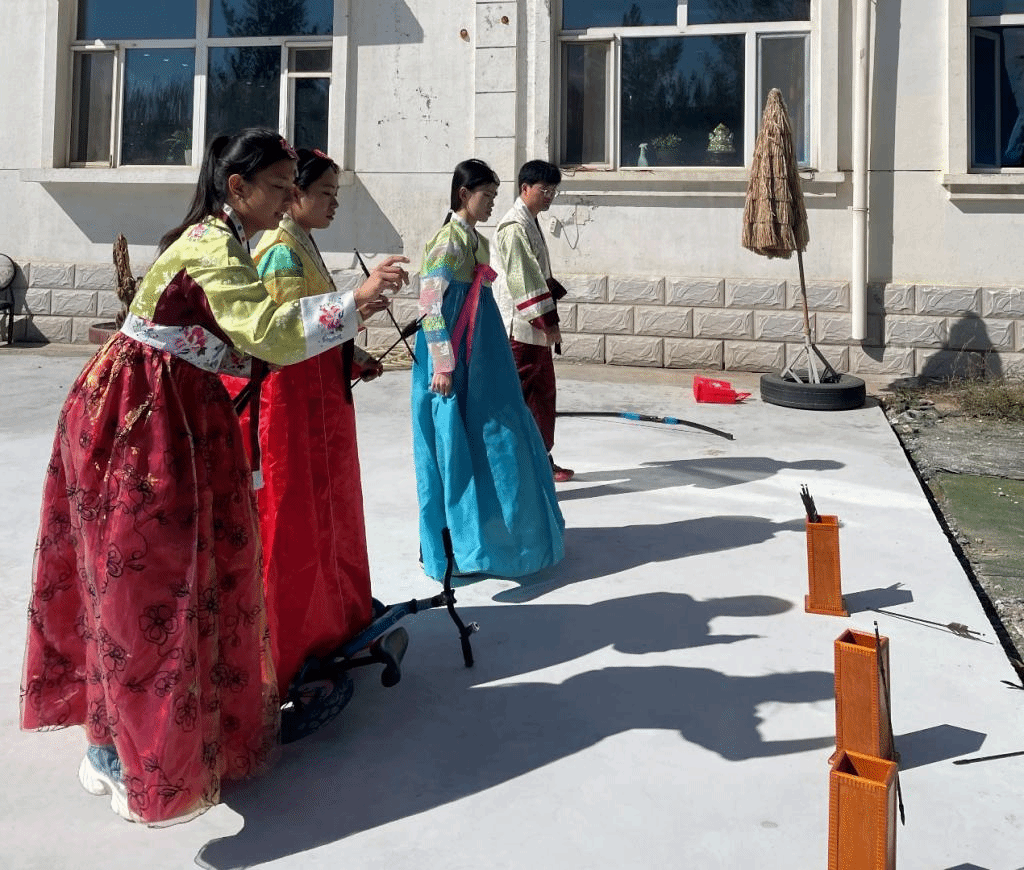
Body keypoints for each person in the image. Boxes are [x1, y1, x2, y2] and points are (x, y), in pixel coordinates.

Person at [20, 129, 404, 825]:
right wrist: (357, 301)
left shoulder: (230, 242)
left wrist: (349, 324)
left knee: (198, 572)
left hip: (181, 412)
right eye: (280, 185)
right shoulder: (211, 245)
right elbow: (266, 333)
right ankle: (114, 748)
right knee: (148, 583)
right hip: (143, 419)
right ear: (237, 187)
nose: (290, 198)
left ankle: (178, 731)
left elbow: (239, 345)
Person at [223, 147, 405, 714]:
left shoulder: (299, 243)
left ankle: (332, 619)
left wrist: (356, 351)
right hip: (292, 412)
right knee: (296, 522)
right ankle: (291, 643)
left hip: (318, 405)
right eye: (323, 192)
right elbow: (283, 338)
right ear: (293, 193)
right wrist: (357, 300)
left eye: (335, 194)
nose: (332, 203)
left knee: (327, 516)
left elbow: (314, 324)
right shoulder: (279, 249)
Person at [411, 158, 565, 581]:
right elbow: (430, 304)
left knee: (489, 442)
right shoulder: (448, 240)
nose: (493, 203)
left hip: (481, 348)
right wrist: (442, 364)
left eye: (496, 196)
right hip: (453, 355)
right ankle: (447, 547)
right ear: (464, 194)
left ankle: (485, 542)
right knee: (451, 447)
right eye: (487, 195)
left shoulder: (476, 239)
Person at [493, 159, 574, 482]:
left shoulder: (530, 222)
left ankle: (540, 460)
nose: (549, 196)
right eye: (544, 189)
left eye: (553, 190)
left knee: (541, 396)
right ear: (524, 188)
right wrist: (548, 322)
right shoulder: (514, 227)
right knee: (519, 399)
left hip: (532, 329)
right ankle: (513, 467)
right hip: (520, 329)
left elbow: (537, 274)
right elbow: (523, 280)